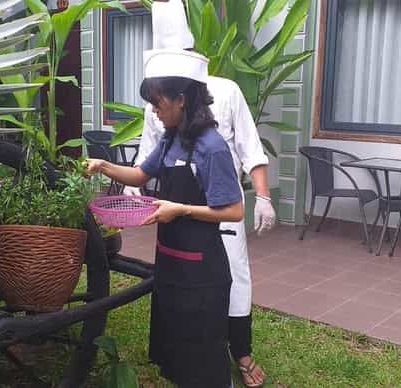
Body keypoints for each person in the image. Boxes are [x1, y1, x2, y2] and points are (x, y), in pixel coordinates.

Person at [123, 1, 274, 386]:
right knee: (180, 286)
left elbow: (249, 148)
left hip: (218, 201)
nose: (157, 105)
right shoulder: (158, 105)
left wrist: (263, 197)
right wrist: (128, 194)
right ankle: (184, 356)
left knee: (234, 280)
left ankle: (240, 352)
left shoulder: (225, 92)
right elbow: (147, 160)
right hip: (176, 212)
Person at [87, 48, 242, 388]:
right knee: (176, 347)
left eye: (158, 103)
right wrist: (103, 165)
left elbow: (234, 210)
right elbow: (140, 174)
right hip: (171, 262)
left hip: (202, 270)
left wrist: (182, 209)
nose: (154, 112)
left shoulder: (212, 147)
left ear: (182, 99)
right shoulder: (172, 140)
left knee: (203, 353)